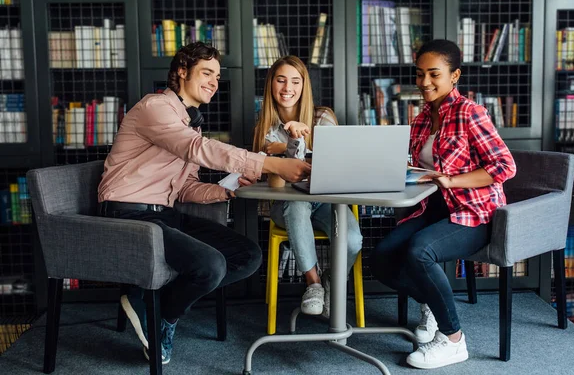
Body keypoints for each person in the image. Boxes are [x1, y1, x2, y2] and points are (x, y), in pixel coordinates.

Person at [97, 42, 311, 364]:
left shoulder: (189, 121)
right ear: (182, 72)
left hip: (164, 214)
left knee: (248, 256)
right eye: (206, 73)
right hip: (130, 216)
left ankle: (155, 304)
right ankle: (163, 318)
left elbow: (185, 189)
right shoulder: (155, 107)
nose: (214, 81)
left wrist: (228, 189)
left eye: (217, 76)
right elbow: (197, 148)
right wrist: (270, 164)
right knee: (211, 265)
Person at [370, 39, 516, 369]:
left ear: (455, 76)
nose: (424, 83)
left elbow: (504, 167)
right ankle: (435, 304)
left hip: (476, 212)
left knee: (420, 251)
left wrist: (451, 179)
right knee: (381, 259)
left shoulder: (470, 113)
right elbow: (422, 166)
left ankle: (453, 340)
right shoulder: (421, 119)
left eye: (434, 74)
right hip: (433, 208)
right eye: (419, 74)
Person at [253, 55, 363, 316]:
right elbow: (277, 183)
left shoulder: (323, 117)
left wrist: (286, 148)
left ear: (304, 86)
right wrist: (291, 144)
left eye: (295, 81)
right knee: (296, 204)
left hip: (326, 202)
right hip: (285, 204)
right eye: (280, 80)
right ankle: (313, 283)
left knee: (353, 240)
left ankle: (330, 281)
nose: (287, 88)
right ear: (271, 85)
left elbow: (333, 168)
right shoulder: (265, 126)